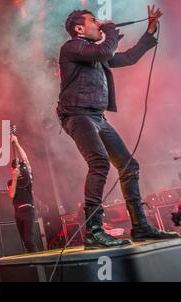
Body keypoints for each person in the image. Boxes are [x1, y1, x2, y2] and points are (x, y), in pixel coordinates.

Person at [57, 5, 179, 249]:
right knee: (100, 162)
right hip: (77, 115)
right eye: (94, 21)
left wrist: (149, 32)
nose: (99, 23)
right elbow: (104, 50)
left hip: (96, 117)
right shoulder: (72, 47)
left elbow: (128, 57)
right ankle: (93, 230)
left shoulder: (95, 52)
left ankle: (141, 227)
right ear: (79, 29)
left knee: (129, 165)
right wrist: (110, 31)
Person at [7, 134, 38, 253]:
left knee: (29, 240)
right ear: (12, 169)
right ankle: (33, 263)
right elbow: (11, 195)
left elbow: (26, 160)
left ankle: (39, 265)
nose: (18, 168)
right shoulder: (11, 181)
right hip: (18, 212)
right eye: (15, 167)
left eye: (19, 166)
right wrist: (14, 178)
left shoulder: (27, 177)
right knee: (25, 241)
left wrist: (17, 143)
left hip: (28, 210)